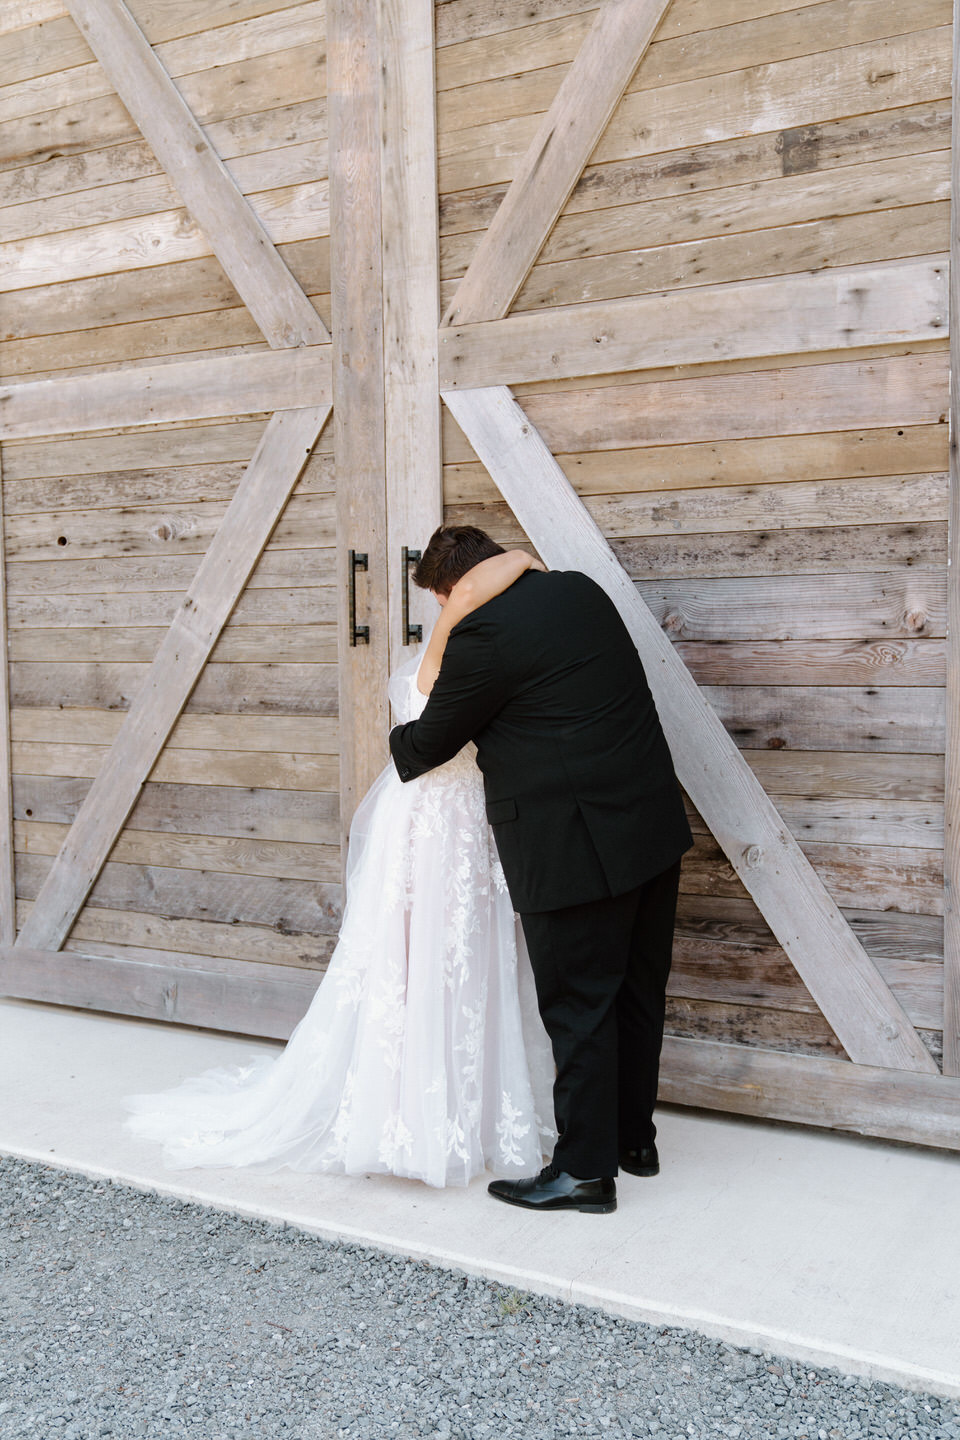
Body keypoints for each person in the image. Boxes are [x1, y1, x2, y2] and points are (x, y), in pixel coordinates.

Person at [121, 547, 556, 1188]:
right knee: (415, 960)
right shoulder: (450, 645)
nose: (445, 602)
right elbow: (470, 600)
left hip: (469, 823)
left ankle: (472, 1106)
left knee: (465, 955)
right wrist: (517, 558)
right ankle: (410, 1115)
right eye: (449, 596)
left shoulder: (491, 646)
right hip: (430, 826)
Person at [390, 526, 693, 1215]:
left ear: (452, 590)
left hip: (571, 845)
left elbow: (426, 744)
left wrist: (440, 645)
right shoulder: (580, 591)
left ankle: (585, 1172)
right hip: (649, 824)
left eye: (442, 602)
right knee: (637, 991)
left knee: (579, 1005)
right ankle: (631, 1142)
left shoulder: (480, 637)